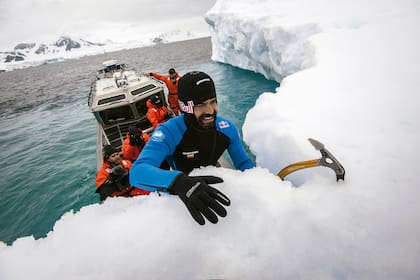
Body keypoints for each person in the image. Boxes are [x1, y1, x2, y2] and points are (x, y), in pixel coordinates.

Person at [130, 71, 255, 225]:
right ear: (186, 107)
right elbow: (137, 172)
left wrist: (262, 182)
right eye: (201, 105)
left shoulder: (227, 128)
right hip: (182, 189)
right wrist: (178, 182)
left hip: (212, 179)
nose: (210, 111)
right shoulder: (169, 131)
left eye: (213, 102)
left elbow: (243, 163)